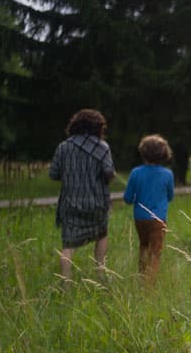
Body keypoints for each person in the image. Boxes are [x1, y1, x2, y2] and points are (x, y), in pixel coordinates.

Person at [49, 109, 115, 281]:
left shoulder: (64, 147)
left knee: (68, 245)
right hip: (97, 203)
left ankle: (66, 282)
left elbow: (53, 174)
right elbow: (109, 173)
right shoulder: (102, 147)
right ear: (98, 127)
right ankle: (100, 273)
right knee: (101, 235)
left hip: (70, 203)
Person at [122, 134, 175, 281]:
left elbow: (127, 199)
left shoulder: (135, 172)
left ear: (143, 152)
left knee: (143, 246)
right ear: (164, 153)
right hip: (159, 219)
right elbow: (170, 196)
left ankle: (142, 275)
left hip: (140, 218)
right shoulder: (168, 174)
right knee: (155, 252)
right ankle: (149, 286)